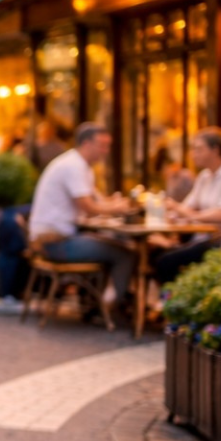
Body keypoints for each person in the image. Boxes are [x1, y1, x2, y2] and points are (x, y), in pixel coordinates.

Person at [28, 121, 136, 312]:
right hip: (55, 243)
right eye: (102, 145)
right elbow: (89, 207)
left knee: (115, 241)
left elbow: (95, 201)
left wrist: (111, 205)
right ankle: (111, 308)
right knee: (125, 254)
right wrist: (119, 208)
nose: (106, 151)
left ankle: (97, 304)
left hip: (52, 239)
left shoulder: (78, 165)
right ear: (86, 144)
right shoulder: (74, 166)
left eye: (108, 146)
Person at [153, 127, 221, 284]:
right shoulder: (205, 176)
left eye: (198, 149)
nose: (193, 154)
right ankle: (174, 299)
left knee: (167, 261)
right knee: (156, 254)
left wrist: (189, 215)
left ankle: (173, 302)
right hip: (207, 237)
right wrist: (174, 215)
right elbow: (188, 205)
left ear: (215, 150)